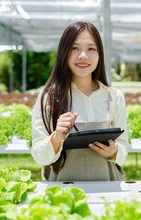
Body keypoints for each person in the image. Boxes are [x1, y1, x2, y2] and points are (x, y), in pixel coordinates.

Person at [31, 21, 129, 181]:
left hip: (108, 192)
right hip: (63, 194)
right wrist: (56, 137)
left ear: (99, 55)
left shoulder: (114, 97)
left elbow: (124, 146)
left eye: (91, 49)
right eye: (74, 48)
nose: (83, 56)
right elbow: (39, 156)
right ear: (64, 52)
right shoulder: (48, 97)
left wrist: (115, 151)